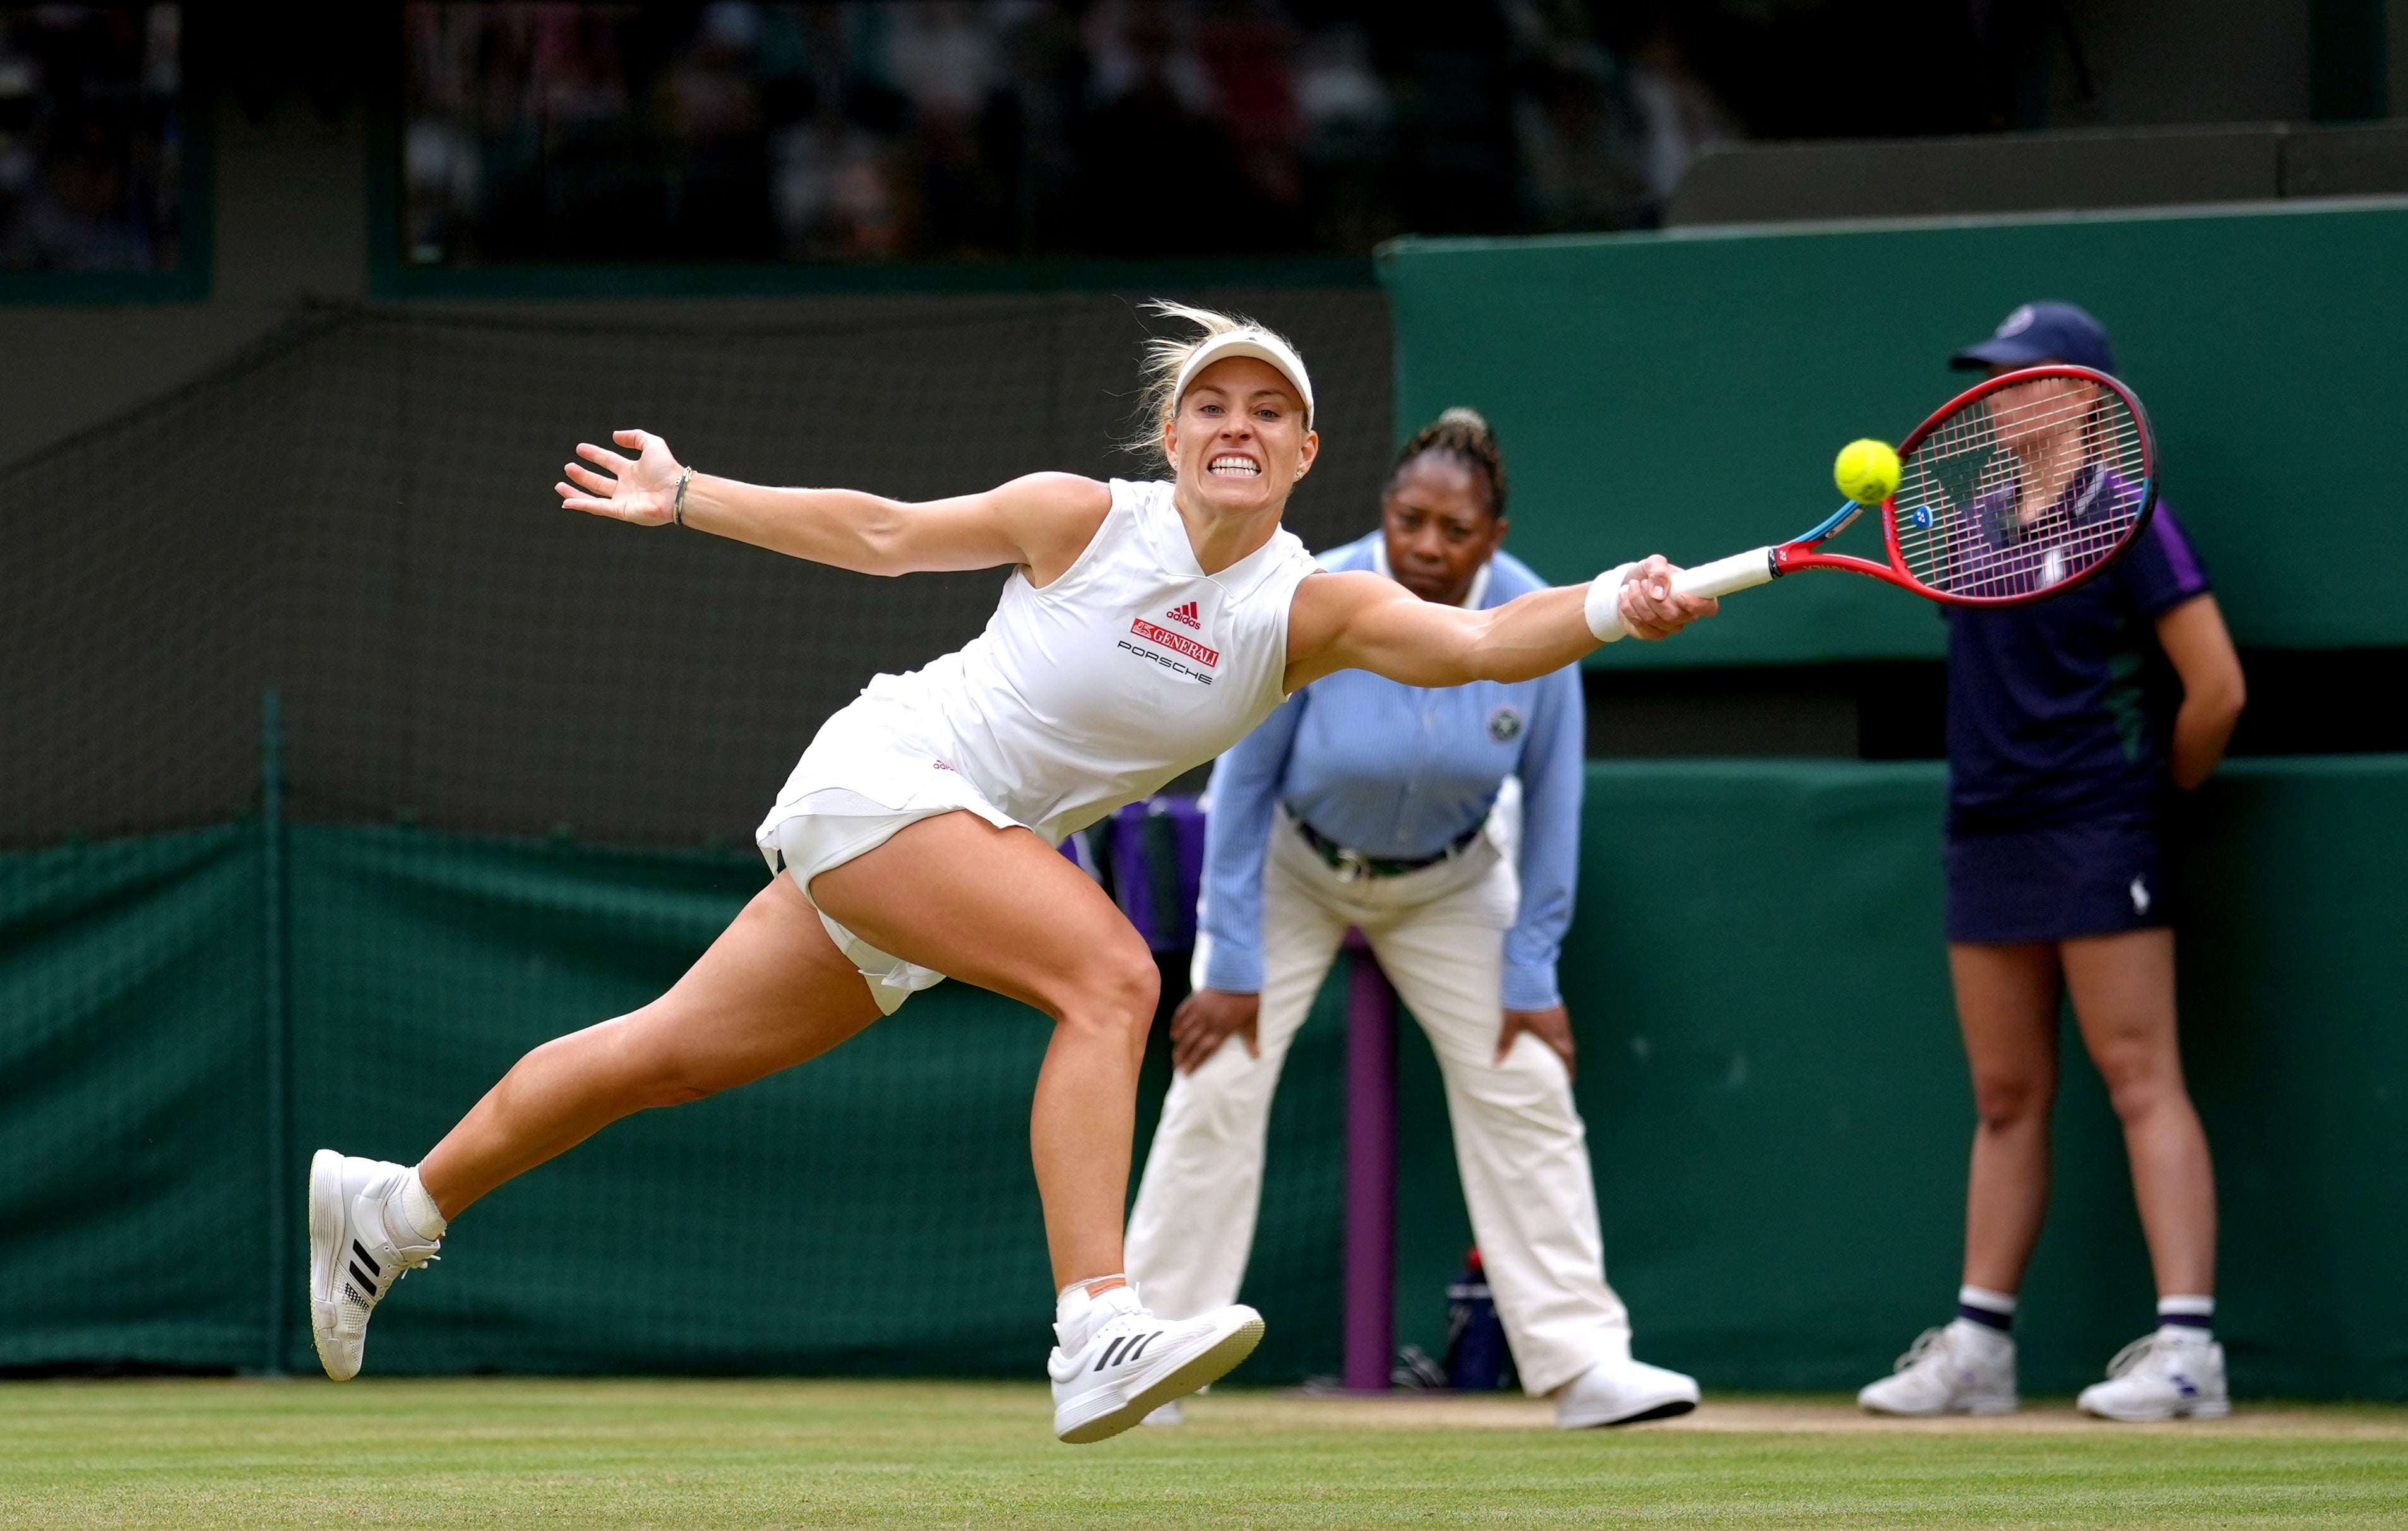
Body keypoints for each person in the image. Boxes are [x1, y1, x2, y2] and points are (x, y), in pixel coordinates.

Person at [304, 303, 1718, 1443]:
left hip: (950, 857)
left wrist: (1610, 603)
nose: (1236, 425)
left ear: (1301, 455)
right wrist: (688, 498)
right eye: (1210, 405)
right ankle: (1095, 1321)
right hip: (890, 777)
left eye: (1266, 410)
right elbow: (878, 532)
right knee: (1110, 975)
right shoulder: (1082, 517)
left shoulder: (1310, 607)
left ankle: (395, 1206)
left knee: (657, 1054)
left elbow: (1479, 648)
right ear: (1171, 438)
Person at [1126, 408, 1698, 1429]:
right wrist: (1234, 958)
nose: (1427, 547)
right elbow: (1240, 788)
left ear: (1495, 535)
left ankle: (1582, 1365)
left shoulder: (1538, 624)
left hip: (1452, 883)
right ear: (1383, 513)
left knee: (1524, 1079)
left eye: (1455, 529)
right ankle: (1149, 1359)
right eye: (1408, 520)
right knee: (1216, 1075)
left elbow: (1554, 805)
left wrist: (1533, 971)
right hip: (1291, 869)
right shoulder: (1313, 600)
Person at [1857, 302, 2246, 1422]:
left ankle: (2187, 1355)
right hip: (1984, 827)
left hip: (2095, 825)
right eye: (1991, 378)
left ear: (2085, 396)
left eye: (2023, 379)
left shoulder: (2131, 516)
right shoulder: (1970, 520)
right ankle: (1979, 1351)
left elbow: (2215, 688)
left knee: (2139, 1078)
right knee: (2003, 1093)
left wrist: (2149, 792)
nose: (1998, 396)